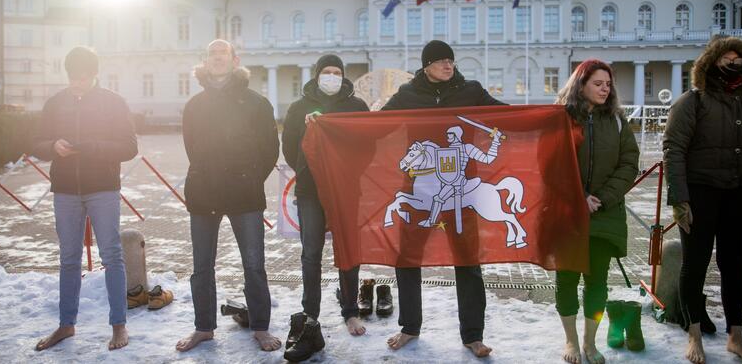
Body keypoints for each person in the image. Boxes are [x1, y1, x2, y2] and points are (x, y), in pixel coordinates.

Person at [663, 36, 742, 364]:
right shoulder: (693, 101)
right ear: (712, 60)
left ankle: (736, 337)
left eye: (740, 56)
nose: (733, 61)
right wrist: (679, 199)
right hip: (701, 194)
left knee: (735, 266)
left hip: (740, 195)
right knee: (694, 264)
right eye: (727, 55)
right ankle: (694, 334)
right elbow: (674, 150)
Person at [382, 39, 504, 358]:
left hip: (460, 192)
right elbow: (375, 125)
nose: (448, 65)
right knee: (407, 257)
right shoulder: (408, 95)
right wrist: (328, 123)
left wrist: (551, 115)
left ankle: (473, 335)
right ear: (426, 67)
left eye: (450, 60)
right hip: (419, 190)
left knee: (468, 261)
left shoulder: (471, 90)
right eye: (440, 61)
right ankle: (409, 326)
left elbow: (506, 115)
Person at [175, 39, 281, 353]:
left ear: (235, 60)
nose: (217, 57)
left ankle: (261, 326)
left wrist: (248, 178)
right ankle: (203, 327)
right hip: (203, 193)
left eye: (223, 52)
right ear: (205, 62)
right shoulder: (195, 105)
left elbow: (269, 149)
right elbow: (191, 146)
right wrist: (208, 175)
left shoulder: (256, 102)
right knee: (202, 266)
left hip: (244, 193)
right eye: (212, 53)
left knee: (253, 264)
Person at [30, 46, 138, 351]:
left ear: (94, 75)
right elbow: (36, 143)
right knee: (68, 258)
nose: (77, 82)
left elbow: (129, 147)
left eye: (83, 77)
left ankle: (119, 325)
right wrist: (53, 146)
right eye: (72, 77)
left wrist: (92, 147)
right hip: (64, 190)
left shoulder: (113, 103)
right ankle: (66, 324)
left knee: (112, 256)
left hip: (103, 187)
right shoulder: (55, 103)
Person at [281, 54, 370, 361]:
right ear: (318, 75)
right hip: (309, 190)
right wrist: (310, 168)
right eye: (326, 72)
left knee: (348, 250)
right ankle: (311, 314)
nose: (331, 76)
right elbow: (290, 148)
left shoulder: (356, 106)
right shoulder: (299, 107)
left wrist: (346, 172)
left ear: (343, 76)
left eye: (337, 72)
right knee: (311, 252)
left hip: (346, 190)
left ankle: (350, 310)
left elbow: (367, 146)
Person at [554, 59, 640, 364]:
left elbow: (629, 163)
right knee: (566, 280)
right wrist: (579, 197)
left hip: (605, 214)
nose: (605, 89)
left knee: (597, 281)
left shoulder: (617, 120)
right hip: (567, 214)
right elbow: (549, 165)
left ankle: (590, 343)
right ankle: (570, 341)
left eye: (608, 84)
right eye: (598, 83)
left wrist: (600, 198)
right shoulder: (560, 119)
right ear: (581, 84)